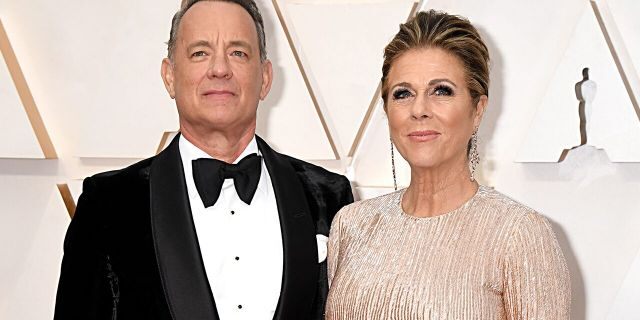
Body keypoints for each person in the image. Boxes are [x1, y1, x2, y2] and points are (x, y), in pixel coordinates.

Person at [54, 1, 353, 319]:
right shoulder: (108, 204)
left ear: (265, 78)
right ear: (169, 76)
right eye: (200, 53)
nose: (220, 69)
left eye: (238, 52)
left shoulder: (329, 197)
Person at [325, 10, 570, 319]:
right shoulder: (351, 225)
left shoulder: (519, 234)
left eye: (441, 91)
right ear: (388, 111)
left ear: (477, 109)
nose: (419, 109)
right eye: (403, 94)